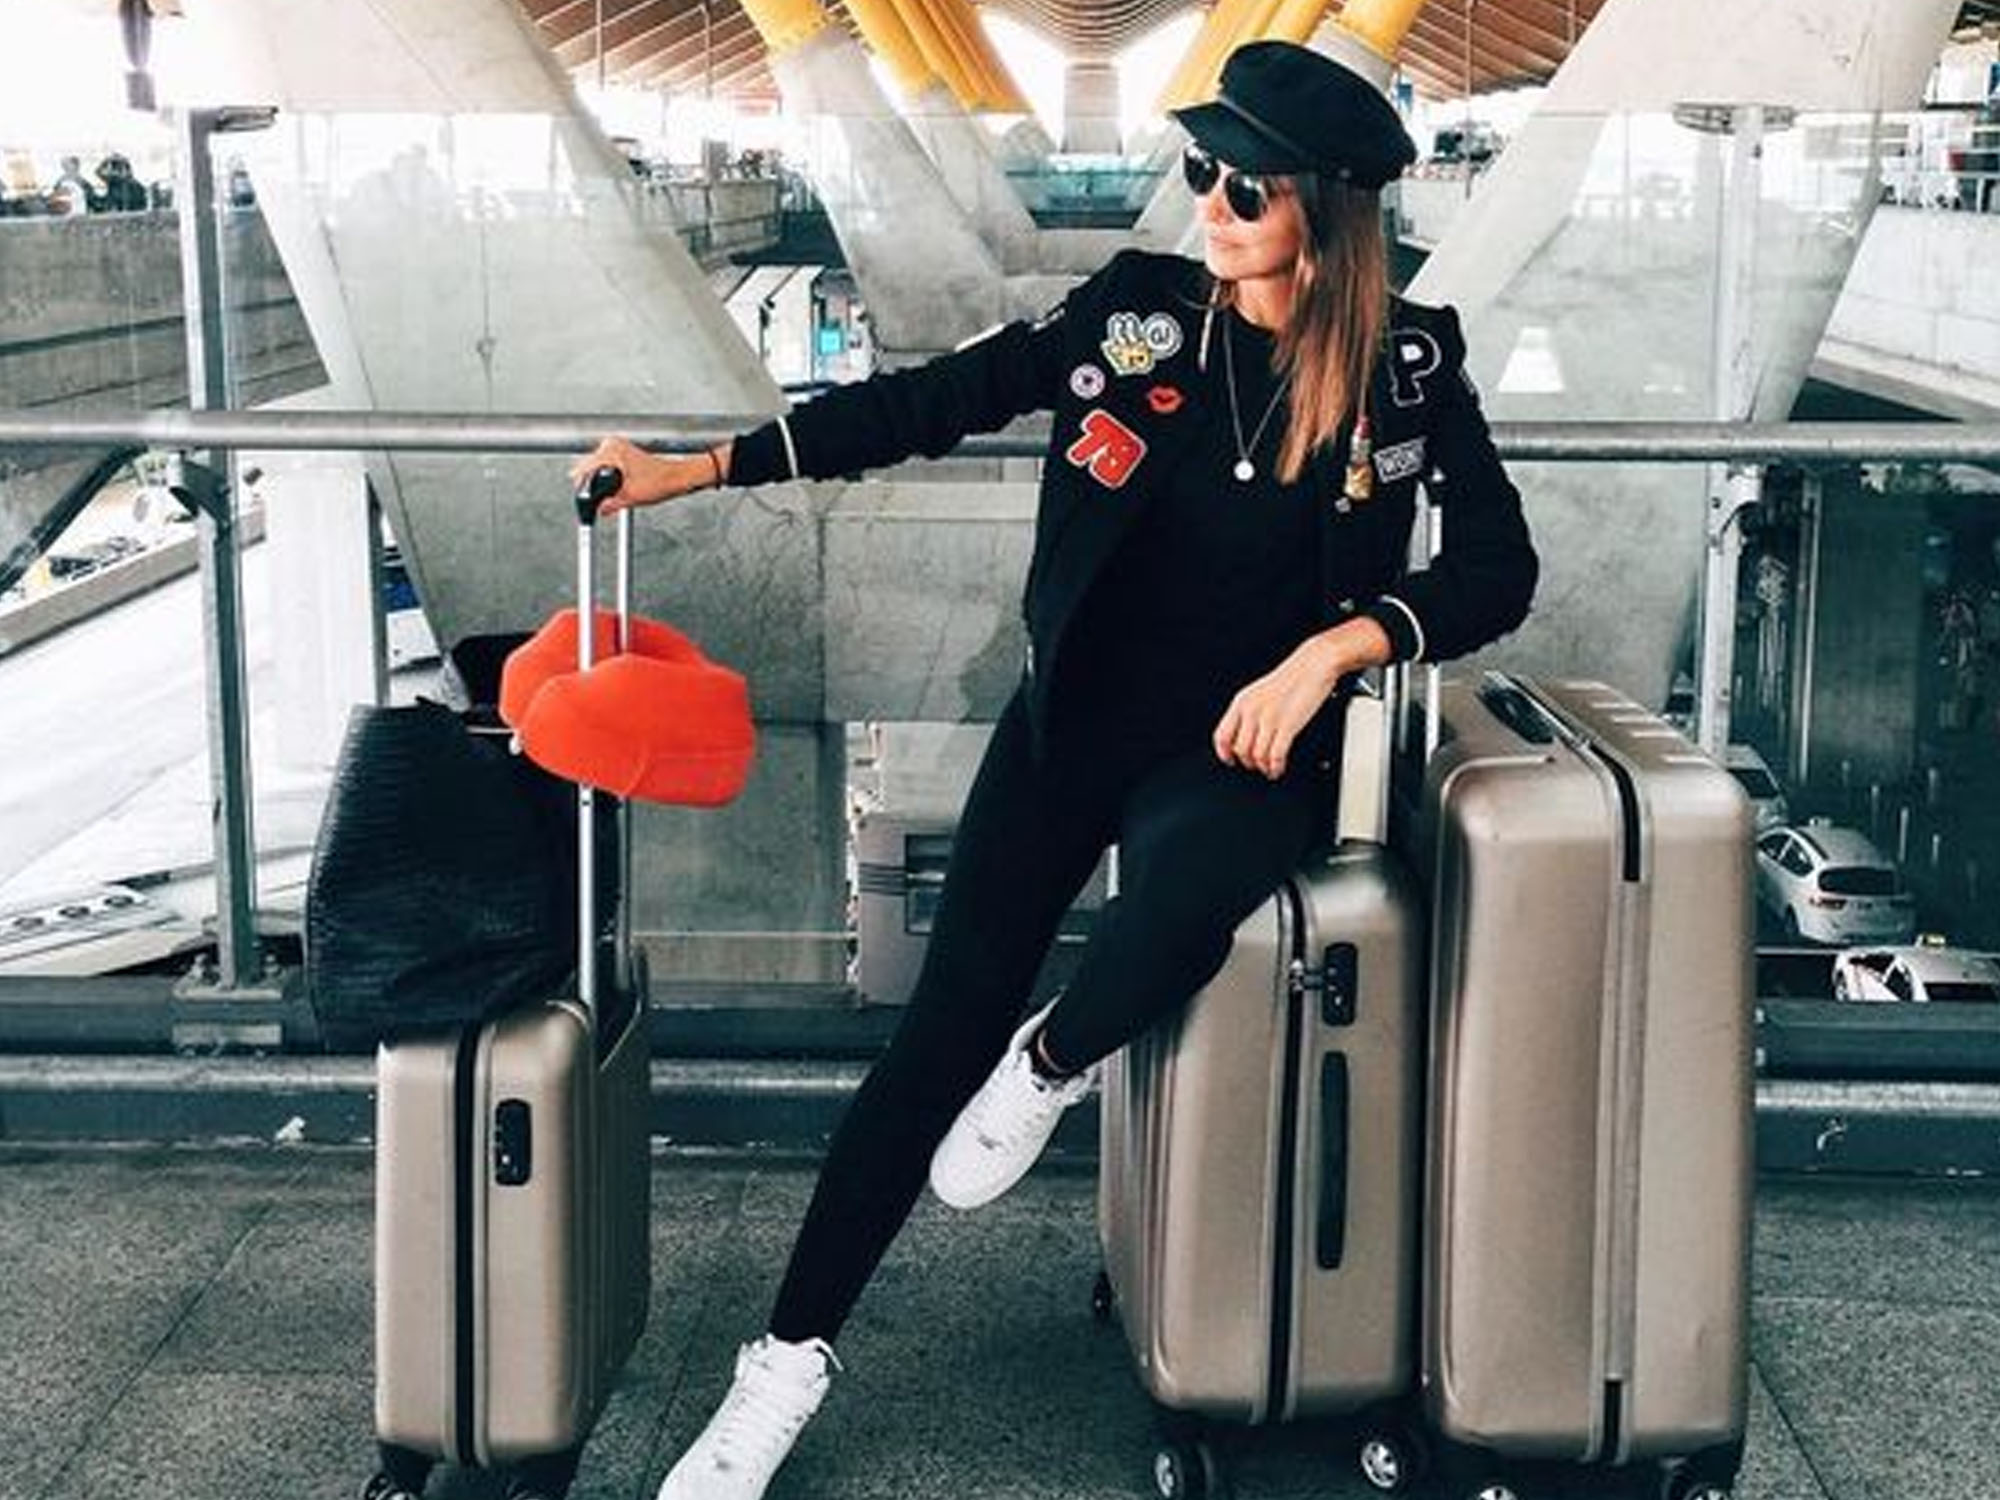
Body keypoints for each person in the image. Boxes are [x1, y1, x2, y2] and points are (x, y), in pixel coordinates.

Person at [572, 39, 1537, 1500]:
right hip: (1071, 728)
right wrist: (695, 467)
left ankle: (1055, 1060)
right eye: (1202, 171)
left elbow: (1497, 568)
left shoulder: (1408, 369)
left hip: (1241, 749)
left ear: (1330, 211)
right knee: (924, 1058)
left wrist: (1338, 648)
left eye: (1247, 188)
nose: (1210, 204)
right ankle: (779, 1368)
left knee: (1183, 904)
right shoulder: (1136, 317)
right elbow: (928, 403)